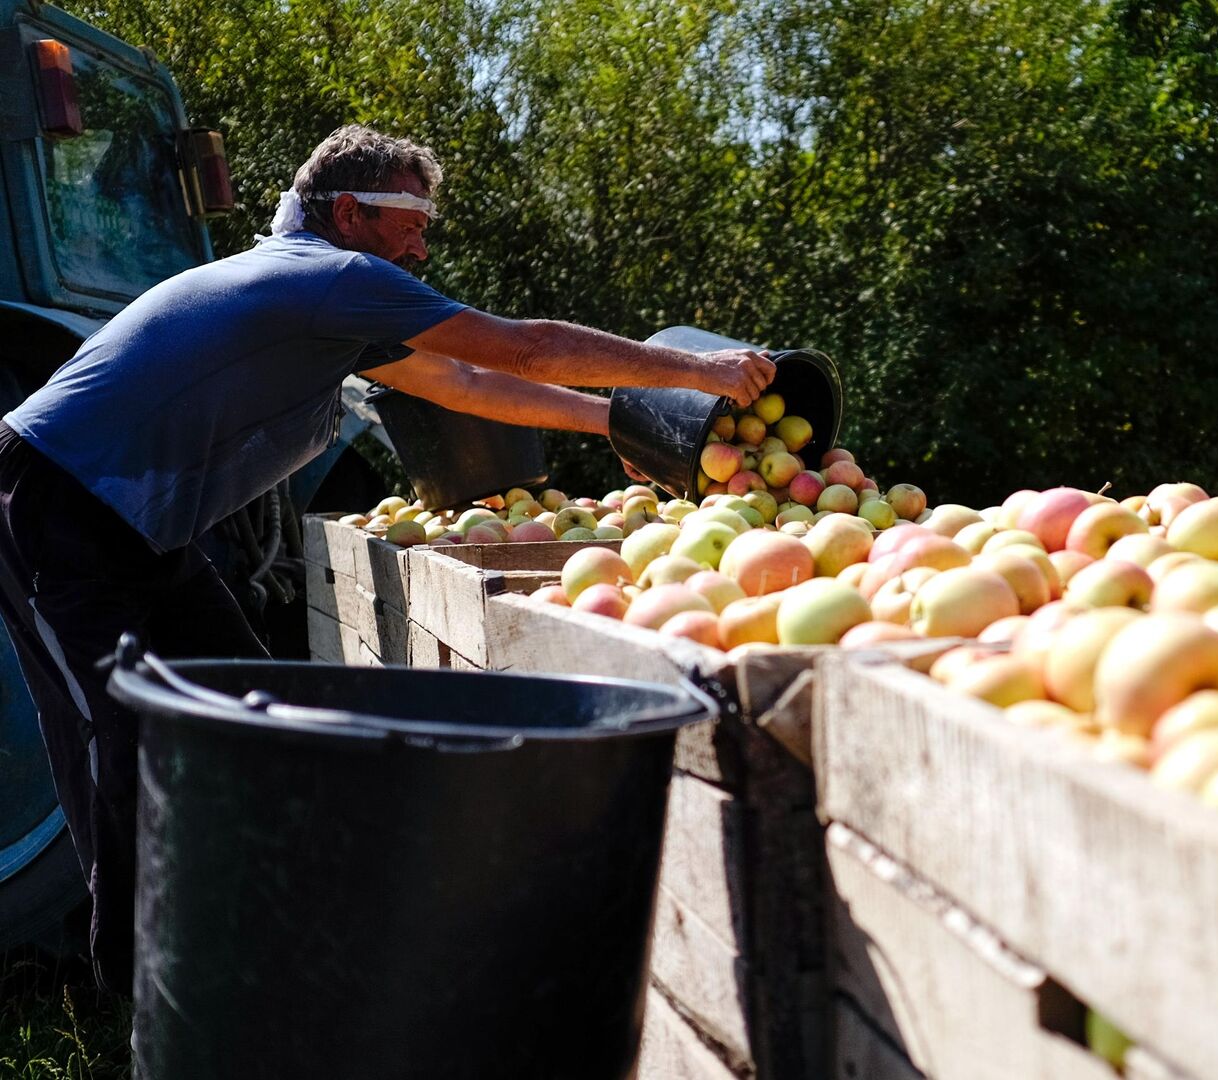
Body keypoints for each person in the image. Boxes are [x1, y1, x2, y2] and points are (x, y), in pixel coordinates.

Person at [0, 125, 776, 992]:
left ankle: (250, 941)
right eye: (412, 218)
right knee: (115, 729)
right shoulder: (328, 277)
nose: (423, 240)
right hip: (55, 503)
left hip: (145, 527)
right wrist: (694, 370)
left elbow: (471, 386)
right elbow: (518, 344)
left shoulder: (338, 297)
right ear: (348, 212)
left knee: (241, 711)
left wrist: (619, 424)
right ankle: (143, 994)